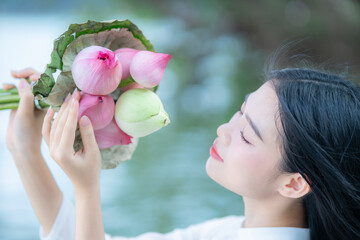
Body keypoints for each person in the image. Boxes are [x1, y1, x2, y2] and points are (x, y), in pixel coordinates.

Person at [5, 49, 360, 240]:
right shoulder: (229, 230)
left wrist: (87, 187)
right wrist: (25, 149)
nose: (224, 129)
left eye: (247, 135)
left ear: (294, 182)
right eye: (240, 110)